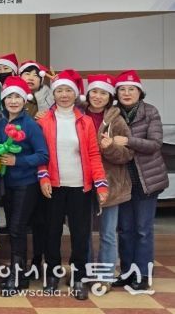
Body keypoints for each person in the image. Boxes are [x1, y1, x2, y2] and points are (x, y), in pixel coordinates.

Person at [36, 69, 108, 300]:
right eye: (60, 91)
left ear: (76, 94)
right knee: (52, 232)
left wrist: (101, 184)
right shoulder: (43, 121)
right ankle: (53, 274)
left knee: (80, 234)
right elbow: (40, 154)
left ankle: (79, 277)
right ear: (54, 94)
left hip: (80, 187)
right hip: (53, 187)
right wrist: (43, 177)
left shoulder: (85, 122)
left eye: (68, 90)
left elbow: (94, 154)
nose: (64, 95)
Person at [113, 70, 169, 291]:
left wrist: (127, 140)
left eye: (131, 89)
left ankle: (143, 274)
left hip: (147, 180)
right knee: (124, 229)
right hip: (123, 181)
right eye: (122, 89)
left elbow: (155, 144)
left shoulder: (150, 112)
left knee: (143, 230)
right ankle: (127, 271)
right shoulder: (113, 113)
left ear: (140, 92)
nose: (127, 93)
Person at [0, 77, 48, 296]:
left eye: (17, 97)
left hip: (26, 184)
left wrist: (18, 161)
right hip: (7, 184)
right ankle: (19, 273)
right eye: (9, 97)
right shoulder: (1, 122)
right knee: (13, 228)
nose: (13, 101)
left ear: (24, 100)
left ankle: (18, 276)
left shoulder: (30, 125)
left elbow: (43, 155)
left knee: (17, 228)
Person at [83, 74, 132, 293]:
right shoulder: (78, 115)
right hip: (82, 182)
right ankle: (85, 273)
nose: (98, 96)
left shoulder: (117, 120)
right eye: (94, 91)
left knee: (108, 233)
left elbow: (128, 154)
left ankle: (105, 276)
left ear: (110, 96)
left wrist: (109, 147)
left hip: (111, 184)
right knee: (83, 231)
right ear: (88, 94)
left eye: (103, 93)